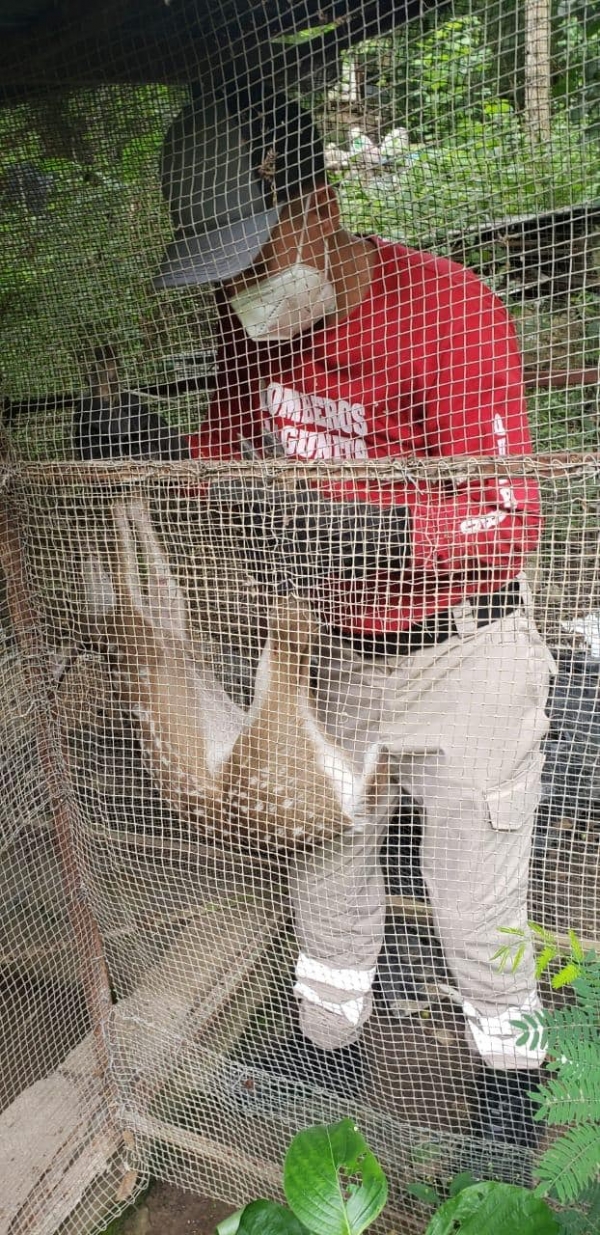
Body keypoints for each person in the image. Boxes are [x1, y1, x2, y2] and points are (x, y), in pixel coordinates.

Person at [154, 91, 556, 1147]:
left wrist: (371, 531)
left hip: (458, 652)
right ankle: (325, 1043)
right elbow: (215, 450)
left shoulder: (447, 309)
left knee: (474, 890)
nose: (241, 288)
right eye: (223, 269)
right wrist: (230, 491)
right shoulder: (256, 334)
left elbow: (511, 517)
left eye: (254, 255)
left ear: (321, 207)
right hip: (328, 648)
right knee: (322, 860)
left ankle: (511, 1086)